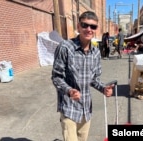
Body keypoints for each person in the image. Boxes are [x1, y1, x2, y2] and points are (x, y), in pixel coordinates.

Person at [51, 11, 114, 141]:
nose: (89, 29)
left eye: (93, 26)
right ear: (78, 26)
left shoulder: (96, 52)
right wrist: (69, 90)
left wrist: (104, 88)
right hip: (69, 107)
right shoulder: (65, 47)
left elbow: (94, 79)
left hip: (86, 108)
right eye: (85, 25)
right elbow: (56, 77)